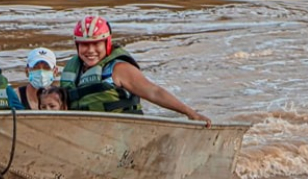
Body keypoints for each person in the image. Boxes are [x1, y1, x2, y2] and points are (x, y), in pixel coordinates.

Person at [59, 15, 211, 125]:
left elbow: (154, 92)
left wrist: (190, 113)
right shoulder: (72, 70)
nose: (90, 50)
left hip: (120, 132)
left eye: (96, 44)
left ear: (107, 43)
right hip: (84, 132)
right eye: (85, 45)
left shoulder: (119, 69)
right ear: (77, 45)